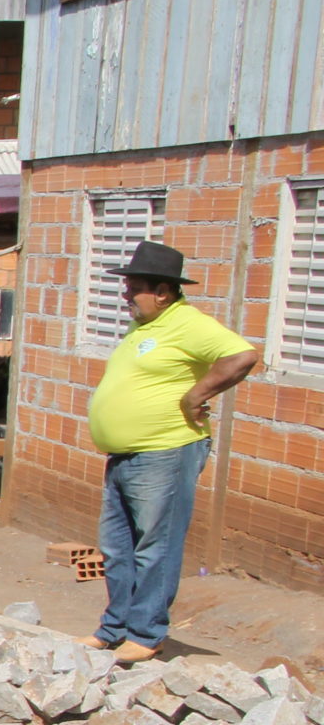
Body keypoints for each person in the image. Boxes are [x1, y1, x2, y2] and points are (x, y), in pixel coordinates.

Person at [80, 241, 259, 662]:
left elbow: (242, 356)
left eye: (134, 288)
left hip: (166, 451)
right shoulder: (143, 327)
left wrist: (197, 394)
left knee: (154, 546)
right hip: (125, 456)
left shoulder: (187, 323)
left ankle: (146, 633)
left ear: (163, 291)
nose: (126, 295)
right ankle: (114, 629)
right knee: (117, 548)